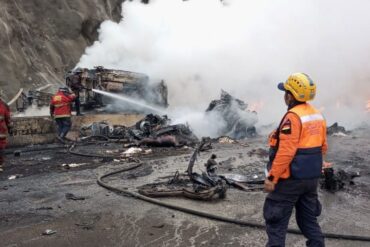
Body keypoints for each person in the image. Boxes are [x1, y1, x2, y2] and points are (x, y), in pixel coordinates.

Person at [264, 73, 328, 247]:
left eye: (285, 92)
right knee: (308, 220)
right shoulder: (317, 115)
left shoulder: (293, 117)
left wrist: (272, 178)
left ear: (290, 96)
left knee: (276, 221)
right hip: (311, 179)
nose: (284, 95)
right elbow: (323, 147)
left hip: (290, 180)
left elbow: (286, 152)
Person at [0, 92, 11, 172]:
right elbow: (8, 119)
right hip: (1, 129)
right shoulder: (4, 105)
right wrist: (10, 128)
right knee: (1, 146)